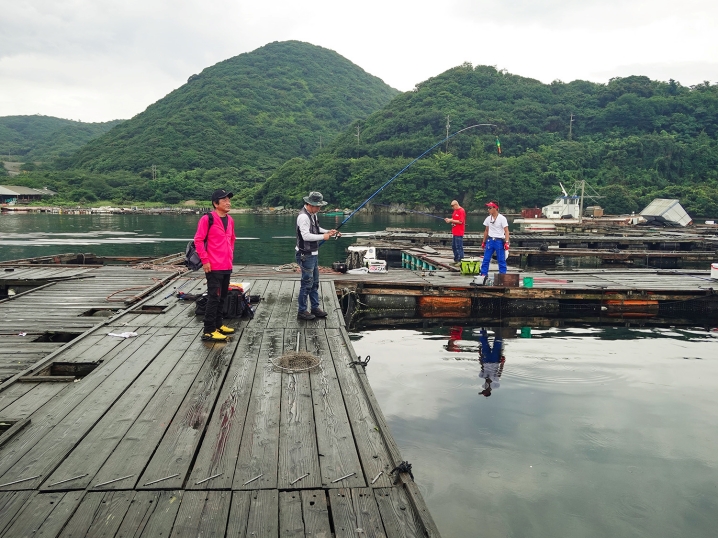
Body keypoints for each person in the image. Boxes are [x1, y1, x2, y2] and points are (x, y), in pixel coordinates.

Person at [194, 189, 236, 341]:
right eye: (224, 200)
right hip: (213, 266)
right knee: (214, 297)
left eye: (228, 199)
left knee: (223, 296)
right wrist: (205, 260)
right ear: (215, 203)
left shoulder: (230, 220)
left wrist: (230, 253)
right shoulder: (207, 219)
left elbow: (232, 238)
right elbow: (198, 240)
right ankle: (208, 330)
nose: (228, 202)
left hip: (226, 264)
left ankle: (218, 325)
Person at [296, 191, 340, 321]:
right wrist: (323, 237)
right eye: (317, 206)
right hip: (305, 254)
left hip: (313, 253)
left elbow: (316, 228)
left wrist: (329, 232)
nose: (319, 208)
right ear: (309, 204)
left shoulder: (313, 214)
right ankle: (302, 311)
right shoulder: (303, 217)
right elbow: (306, 236)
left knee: (314, 283)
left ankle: (315, 307)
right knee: (306, 283)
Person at [478, 200, 510, 283]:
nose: (488, 209)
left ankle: (502, 275)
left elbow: (506, 231)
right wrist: (483, 242)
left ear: (495, 208)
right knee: (486, 259)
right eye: (488, 208)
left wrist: (506, 242)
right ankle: (483, 274)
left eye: (490, 208)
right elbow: (486, 230)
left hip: (499, 241)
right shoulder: (488, 218)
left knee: (501, 260)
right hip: (490, 240)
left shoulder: (502, 218)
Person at [478, 328, 506, 397]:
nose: (484, 389)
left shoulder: (482, 376)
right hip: (494, 361)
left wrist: (480, 357)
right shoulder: (495, 381)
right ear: (489, 391)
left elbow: (482, 368)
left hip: (486, 361)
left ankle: (483, 330)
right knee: (497, 345)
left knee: (484, 344)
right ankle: (498, 330)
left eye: (483, 390)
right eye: (485, 391)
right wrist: (502, 363)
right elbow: (500, 371)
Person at [444, 199, 466, 263]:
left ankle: (461, 260)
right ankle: (456, 259)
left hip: (459, 232)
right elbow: (454, 219)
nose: (452, 207)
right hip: (455, 231)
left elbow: (460, 221)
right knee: (454, 246)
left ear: (456, 204)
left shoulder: (461, 211)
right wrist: (449, 219)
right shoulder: (455, 211)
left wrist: (451, 221)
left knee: (459, 247)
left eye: (452, 206)